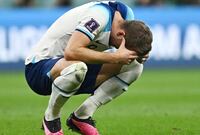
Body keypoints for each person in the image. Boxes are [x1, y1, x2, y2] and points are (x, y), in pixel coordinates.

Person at [24, 1, 152, 135]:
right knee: (77, 68)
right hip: (39, 69)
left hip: (74, 69)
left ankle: (81, 117)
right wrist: (115, 57)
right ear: (120, 34)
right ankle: (51, 119)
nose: (125, 54)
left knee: (135, 66)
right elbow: (71, 52)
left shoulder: (127, 18)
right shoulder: (98, 17)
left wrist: (139, 56)